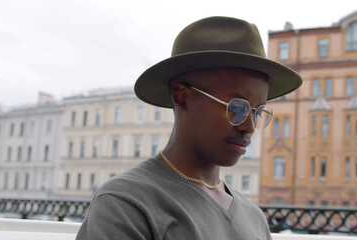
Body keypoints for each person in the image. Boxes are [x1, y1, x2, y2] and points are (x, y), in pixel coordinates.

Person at [76, 16, 302, 240]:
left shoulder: (254, 218)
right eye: (236, 107)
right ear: (182, 97)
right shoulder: (127, 203)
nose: (250, 127)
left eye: (258, 111)